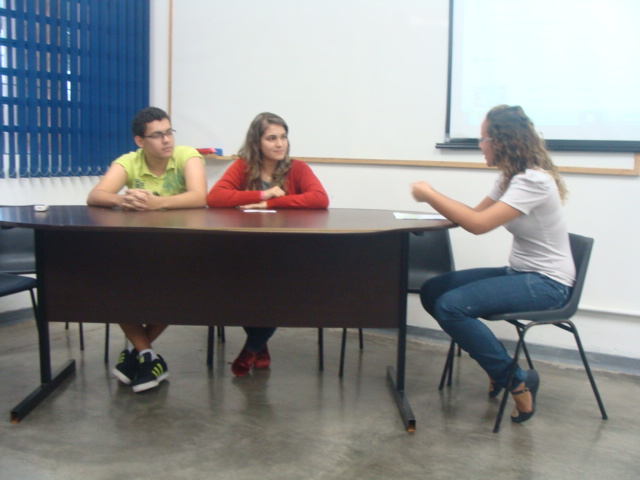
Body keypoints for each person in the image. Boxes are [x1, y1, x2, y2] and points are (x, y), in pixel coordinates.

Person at [411, 105, 575, 424]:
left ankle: (516, 381)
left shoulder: (533, 181)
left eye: (483, 138)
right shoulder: (509, 177)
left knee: (451, 307)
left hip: (548, 284)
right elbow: (474, 213)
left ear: (502, 141)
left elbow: (478, 225)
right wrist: (426, 212)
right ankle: (500, 369)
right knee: (433, 291)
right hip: (520, 274)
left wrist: (429, 194)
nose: (480, 145)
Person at [87, 106, 207, 393]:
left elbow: (200, 196)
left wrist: (157, 203)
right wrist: (122, 199)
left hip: (181, 249)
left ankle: (137, 353)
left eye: (169, 132)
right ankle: (148, 356)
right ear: (140, 141)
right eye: (157, 135)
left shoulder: (187, 156)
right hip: (140, 248)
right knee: (113, 288)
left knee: (179, 290)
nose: (167, 140)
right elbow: (95, 195)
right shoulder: (130, 161)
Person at [207, 112, 329, 377]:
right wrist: (263, 192)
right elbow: (215, 197)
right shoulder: (243, 167)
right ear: (257, 142)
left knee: (277, 290)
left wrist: (269, 203)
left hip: (287, 251)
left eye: (283, 137)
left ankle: (251, 348)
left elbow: (320, 199)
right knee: (240, 287)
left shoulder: (297, 168)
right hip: (248, 249)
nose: (280, 144)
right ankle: (260, 346)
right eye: (272, 138)